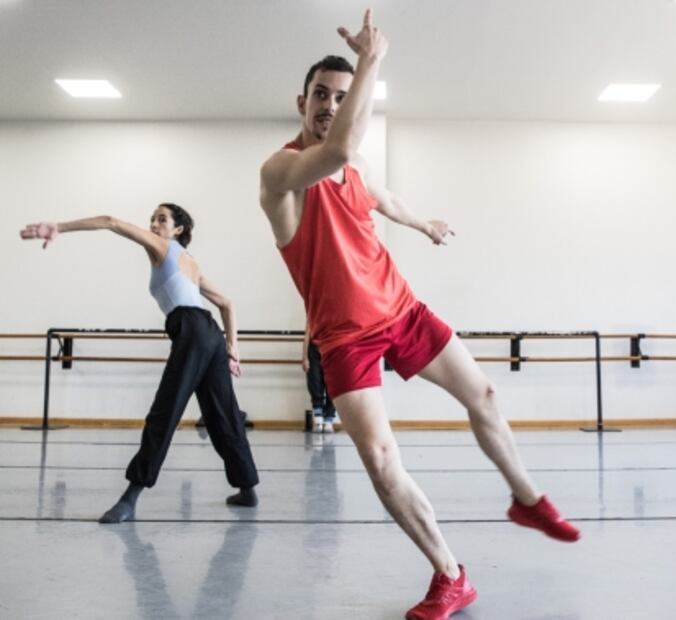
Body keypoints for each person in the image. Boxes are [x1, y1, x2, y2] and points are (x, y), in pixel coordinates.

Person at [258, 10, 579, 619]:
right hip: (344, 338)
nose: (330, 105)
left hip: (401, 309)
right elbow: (338, 149)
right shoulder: (280, 173)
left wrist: (422, 222)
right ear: (302, 102)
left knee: (484, 394)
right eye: (321, 95)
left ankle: (526, 499)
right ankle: (451, 574)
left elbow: (381, 196)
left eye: (342, 97)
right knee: (382, 462)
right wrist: (372, 59)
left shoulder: (354, 166)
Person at [20, 204, 260, 522]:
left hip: (192, 330)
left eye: (162, 219)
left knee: (166, 410)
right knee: (223, 413)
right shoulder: (191, 263)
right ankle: (247, 488)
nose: (154, 224)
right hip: (210, 334)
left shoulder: (163, 246)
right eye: (152, 219)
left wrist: (59, 227)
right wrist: (231, 348)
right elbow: (227, 304)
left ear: (177, 230)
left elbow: (110, 221)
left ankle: (129, 499)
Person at [302, 318, 337, 433]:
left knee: (333, 386)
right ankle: (318, 419)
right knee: (315, 383)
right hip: (314, 350)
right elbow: (307, 335)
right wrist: (305, 358)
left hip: (333, 349)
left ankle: (329, 419)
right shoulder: (313, 312)